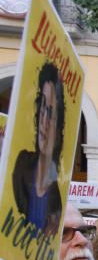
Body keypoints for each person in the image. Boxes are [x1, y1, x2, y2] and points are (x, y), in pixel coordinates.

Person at [13, 61, 65, 235]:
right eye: (42, 108)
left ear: (59, 125)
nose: (43, 122)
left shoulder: (58, 197)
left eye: (50, 113)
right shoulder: (21, 164)